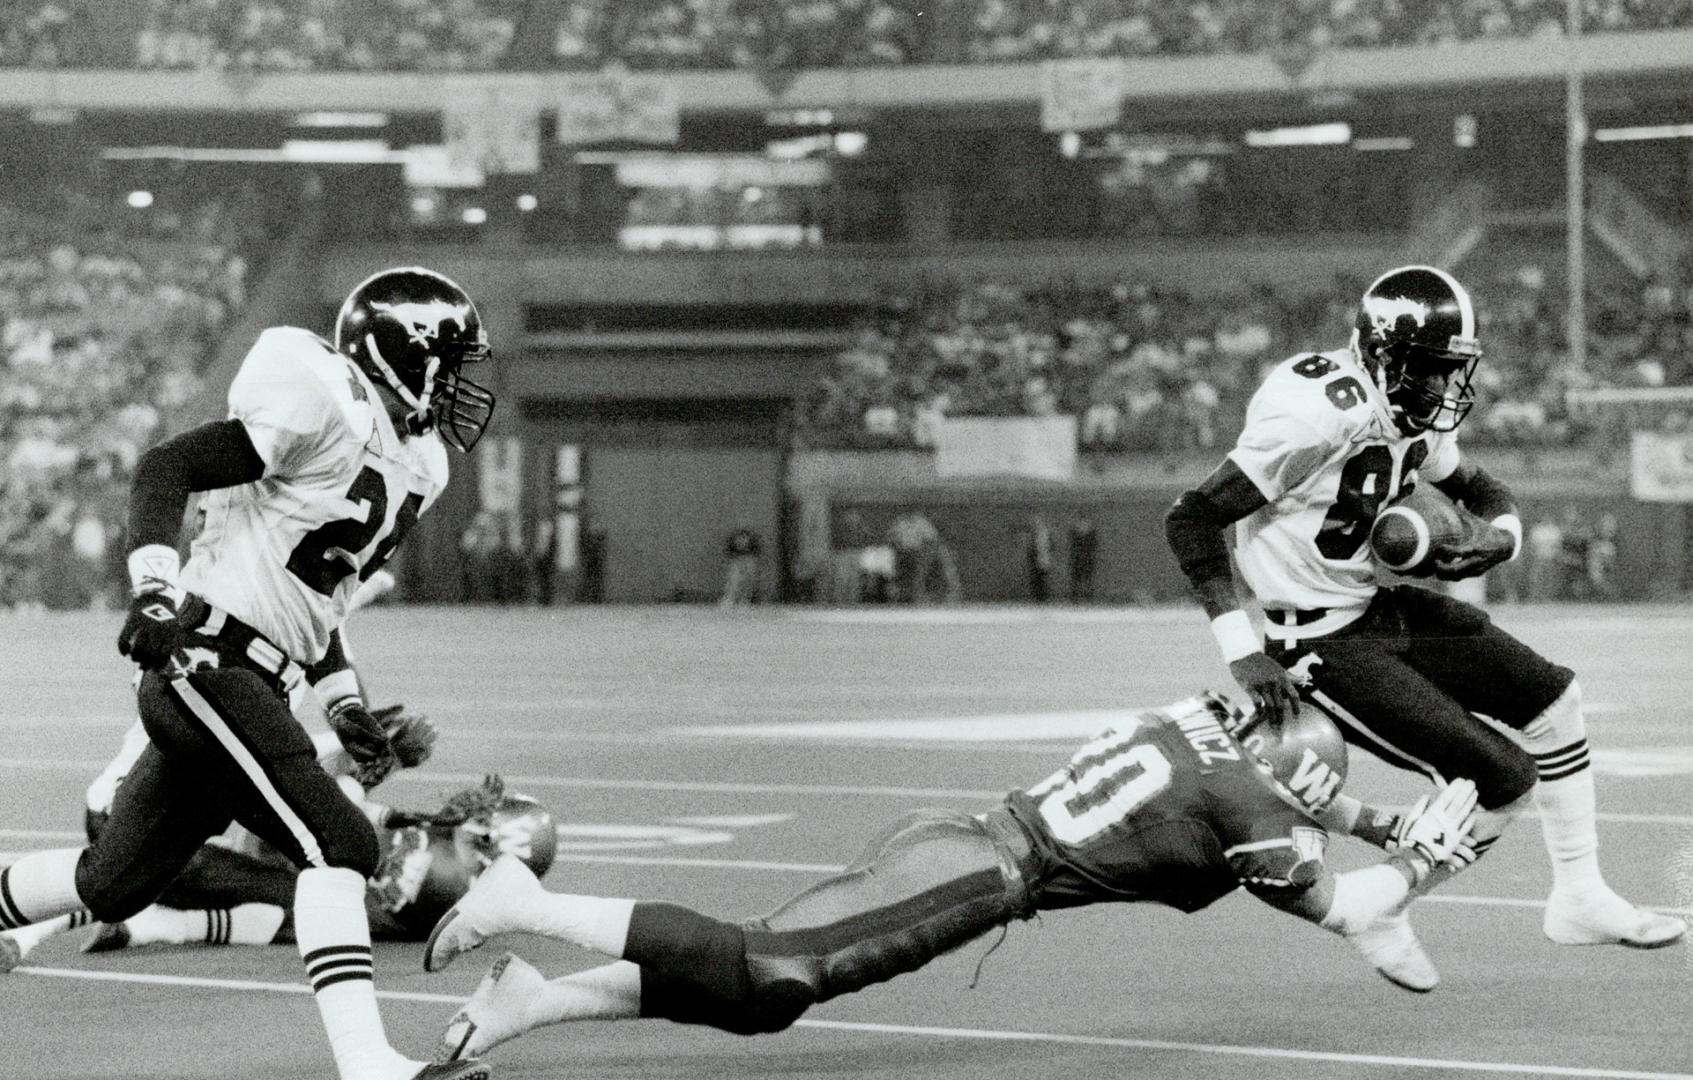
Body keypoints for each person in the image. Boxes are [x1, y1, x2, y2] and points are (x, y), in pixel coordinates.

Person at [0, 266, 499, 1080]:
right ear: (404, 355)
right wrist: (156, 592)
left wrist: (345, 707)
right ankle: (369, 1064)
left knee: (114, 880)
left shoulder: (420, 463)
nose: (463, 387)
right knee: (338, 842)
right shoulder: (319, 393)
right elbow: (166, 467)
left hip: (257, 675)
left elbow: (317, 601)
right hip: (204, 656)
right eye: (453, 362)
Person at [419, 694, 1478, 1061]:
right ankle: (530, 904)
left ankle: (533, 1002)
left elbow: (1295, 794)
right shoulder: (1248, 806)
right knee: (774, 968)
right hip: (980, 873)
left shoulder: (1197, 732)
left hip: (959, 839)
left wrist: (1376, 816)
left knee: (764, 1005)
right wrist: (1420, 862)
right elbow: (1351, 909)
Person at [1162, 265, 1684, 992]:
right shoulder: (1312, 411)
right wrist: (1242, 651)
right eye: (1432, 372)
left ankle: (1579, 896)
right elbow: (1191, 517)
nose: (1445, 391)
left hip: (1374, 606)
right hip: (1312, 637)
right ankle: (1381, 903)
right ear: (1381, 355)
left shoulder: (1408, 409)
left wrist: (1499, 538)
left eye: (1451, 372)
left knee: (1554, 702)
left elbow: (1478, 487)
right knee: (1499, 777)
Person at [83, 775, 558, 957]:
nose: (474, 817)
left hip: (315, 901)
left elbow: (352, 838)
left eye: (484, 823)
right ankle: (138, 915)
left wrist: (364, 779)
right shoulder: (449, 846)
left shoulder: (453, 884)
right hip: (317, 872)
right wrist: (402, 810)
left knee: (189, 868)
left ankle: (133, 914)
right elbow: (355, 820)